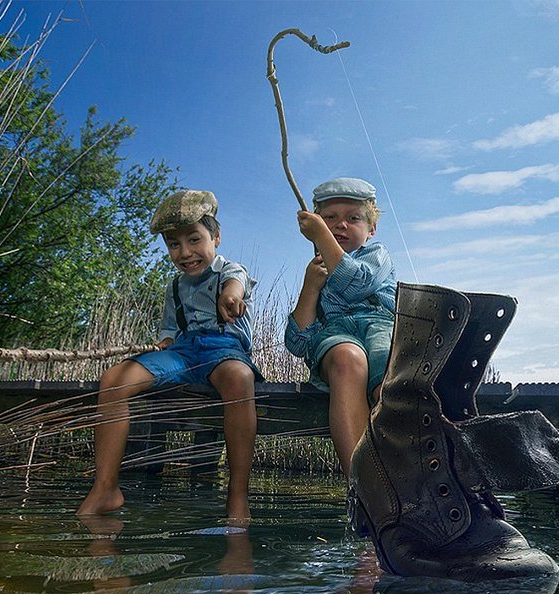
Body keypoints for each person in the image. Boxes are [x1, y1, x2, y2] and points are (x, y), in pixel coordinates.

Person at [77, 190, 262, 523]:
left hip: (223, 350)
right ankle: (105, 487)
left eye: (194, 240)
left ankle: (238, 493)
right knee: (113, 379)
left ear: (216, 237)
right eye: (174, 245)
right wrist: (163, 342)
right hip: (182, 353)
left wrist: (231, 297)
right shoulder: (174, 287)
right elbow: (169, 330)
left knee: (240, 378)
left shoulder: (230, 271)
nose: (185, 253)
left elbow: (238, 285)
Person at [283, 178, 396, 478]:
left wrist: (321, 234)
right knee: (347, 357)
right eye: (329, 218)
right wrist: (310, 288)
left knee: (390, 367)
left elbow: (357, 283)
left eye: (353, 218)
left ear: (371, 230)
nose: (339, 225)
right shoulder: (317, 268)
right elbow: (297, 342)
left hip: (380, 326)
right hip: (336, 334)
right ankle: (360, 486)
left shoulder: (377, 254)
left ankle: (404, 472)